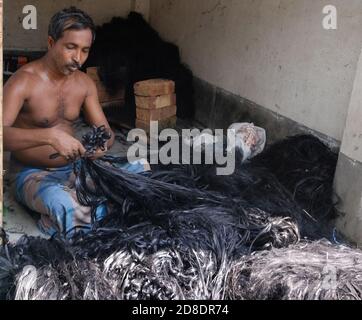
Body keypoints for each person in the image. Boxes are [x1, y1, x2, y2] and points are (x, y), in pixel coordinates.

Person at [3, 7, 148, 237]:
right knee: (66, 204)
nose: (78, 58)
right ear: (51, 42)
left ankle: (70, 217)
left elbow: (105, 131)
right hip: (31, 174)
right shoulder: (23, 81)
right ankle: (77, 212)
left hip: (76, 168)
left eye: (85, 50)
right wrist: (49, 137)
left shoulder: (84, 84)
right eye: (70, 47)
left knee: (141, 172)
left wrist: (102, 145)